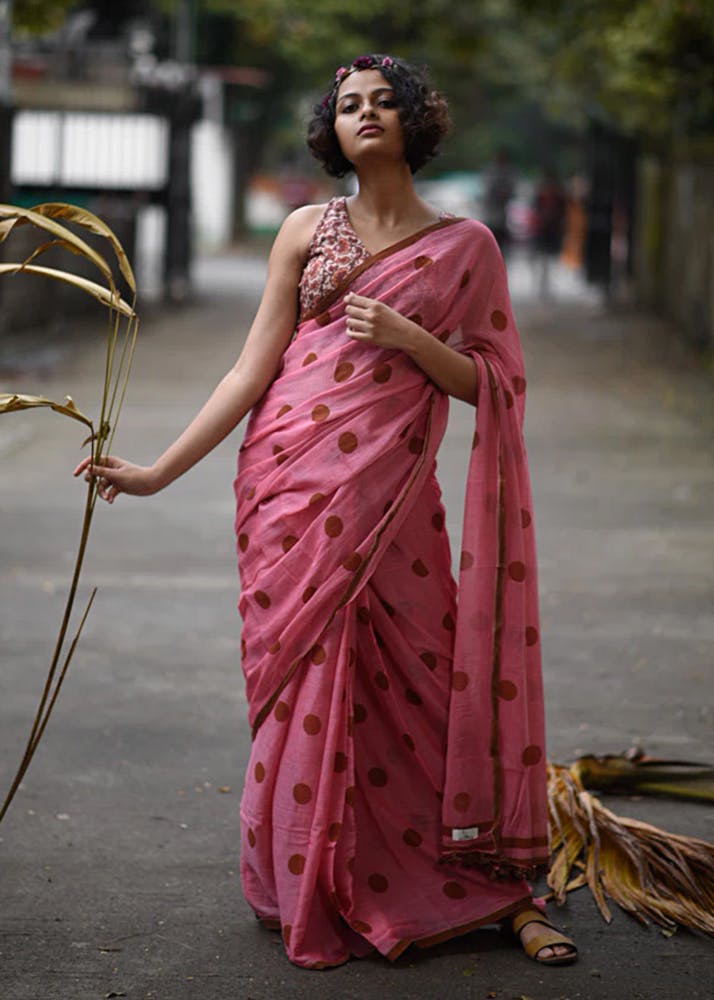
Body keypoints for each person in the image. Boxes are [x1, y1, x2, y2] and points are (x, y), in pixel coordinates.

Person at [74, 54, 577, 970]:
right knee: (306, 686)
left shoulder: (467, 248)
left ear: (416, 122)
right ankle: (312, 874)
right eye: (350, 104)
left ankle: (469, 879)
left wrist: (412, 338)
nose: (368, 113)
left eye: (387, 100)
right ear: (333, 130)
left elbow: (493, 384)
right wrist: (157, 472)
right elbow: (249, 369)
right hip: (290, 484)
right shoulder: (307, 228)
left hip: (392, 496)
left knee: (424, 679)